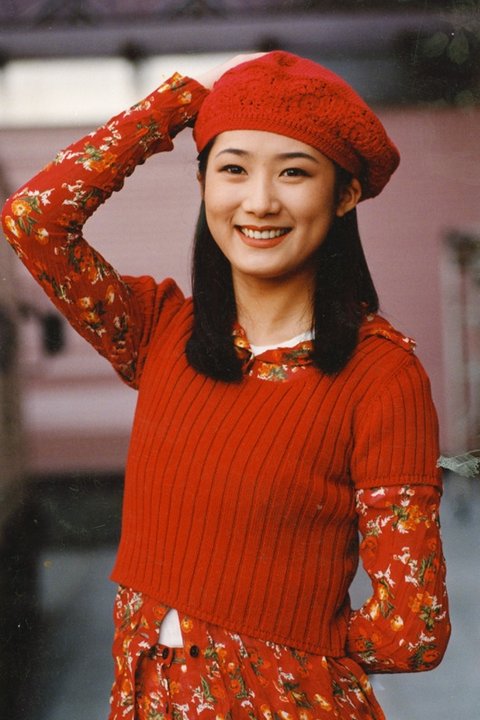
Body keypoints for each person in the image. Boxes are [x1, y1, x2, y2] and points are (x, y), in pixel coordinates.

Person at [2, 51, 450, 720]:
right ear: (203, 181)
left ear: (345, 194)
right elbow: (34, 220)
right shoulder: (158, 332)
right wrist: (177, 104)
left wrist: (271, 648)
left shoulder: (381, 377)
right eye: (233, 168)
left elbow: (411, 630)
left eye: (294, 172)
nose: (259, 201)